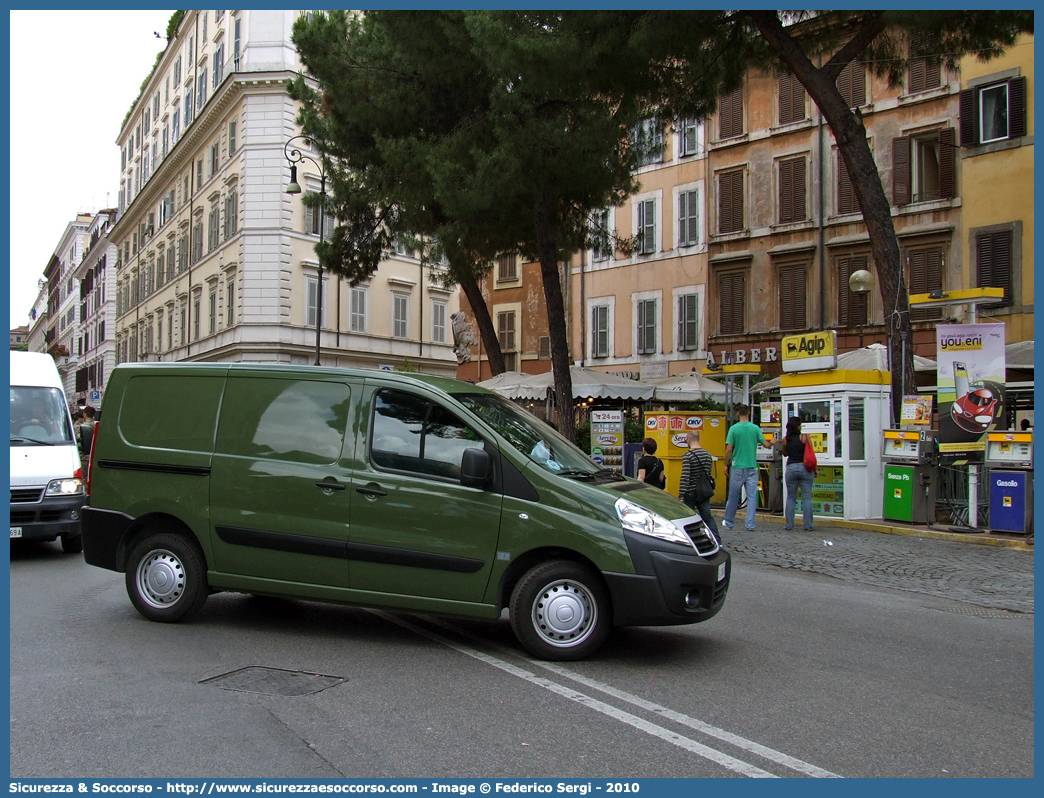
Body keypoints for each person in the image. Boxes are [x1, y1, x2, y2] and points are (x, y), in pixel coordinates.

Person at [722, 404, 774, 531]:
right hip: (752, 466)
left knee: (733, 496)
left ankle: (729, 522)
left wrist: (725, 464)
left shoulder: (733, 429)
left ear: (738, 414)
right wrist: (772, 442)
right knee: (752, 497)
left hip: (738, 466)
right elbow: (766, 445)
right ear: (749, 413)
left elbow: (729, 449)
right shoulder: (755, 428)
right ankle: (750, 524)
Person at [777, 416, 815, 531]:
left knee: (791, 497)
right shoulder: (805, 437)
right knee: (807, 497)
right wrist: (815, 469)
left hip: (791, 468)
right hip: (805, 468)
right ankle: (808, 525)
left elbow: (784, 453)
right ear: (798, 427)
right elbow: (812, 455)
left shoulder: (785, 439)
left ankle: (789, 525)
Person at [679, 429, 718, 540]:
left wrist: (681, 495)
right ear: (699, 439)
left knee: (688, 518)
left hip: (691, 492)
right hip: (704, 492)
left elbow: (685, 476)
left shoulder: (688, 455)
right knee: (707, 517)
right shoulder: (707, 455)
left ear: (689, 439)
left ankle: (691, 540)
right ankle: (716, 539)